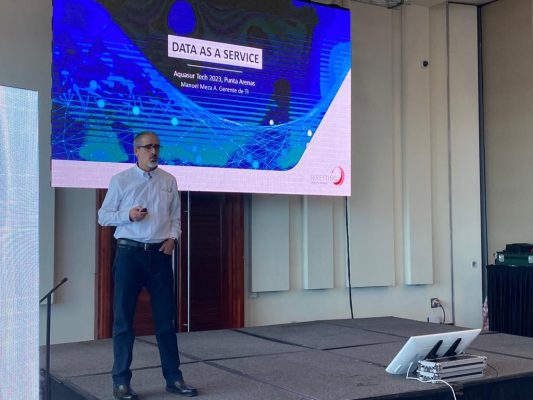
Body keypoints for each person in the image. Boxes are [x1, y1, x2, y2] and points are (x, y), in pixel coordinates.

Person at [98, 131, 197, 399]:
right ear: (136, 151)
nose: (154, 152)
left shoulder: (169, 180)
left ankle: (174, 379)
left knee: (165, 320)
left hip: (160, 255)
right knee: (123, 320)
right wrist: (128, 215)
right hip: (129, 255)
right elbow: (103, 216)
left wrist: (173, 239)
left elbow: (175, 217)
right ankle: (121, 382)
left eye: (157, 147)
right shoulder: (121, 180)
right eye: (148, 147)